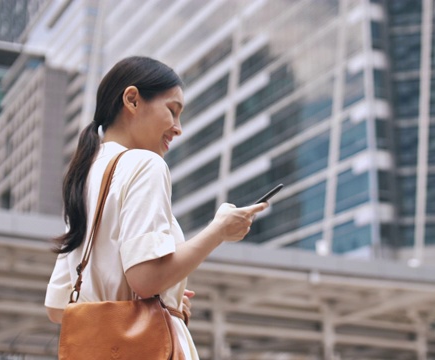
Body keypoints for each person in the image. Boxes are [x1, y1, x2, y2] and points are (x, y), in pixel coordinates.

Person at [44, 56, 268, 358]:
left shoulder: (84, 178)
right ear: (132, 100)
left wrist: (166, 297)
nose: (178, 129)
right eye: (172, 111)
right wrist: (219, 230)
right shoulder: (145, 165)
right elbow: (146, 279)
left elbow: (58, 308)